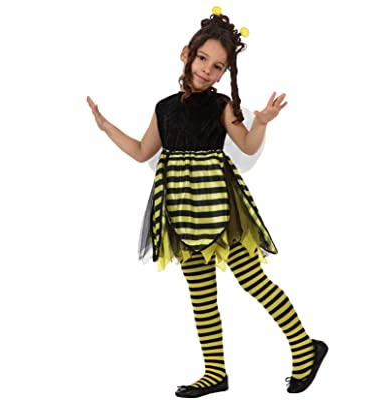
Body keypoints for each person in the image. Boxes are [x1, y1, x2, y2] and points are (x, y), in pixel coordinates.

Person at [86, 6, 327, 398]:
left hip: (220, 206)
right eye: (202, 59)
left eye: (217, 67)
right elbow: (142, 151)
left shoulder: (221, 106)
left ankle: (305, 348)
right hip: (181, 208)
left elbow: (247, 144)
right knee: (200, 293)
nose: (207, 70)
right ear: (186, 54)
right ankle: (215, 372)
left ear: (224, 73)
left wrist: (261, 122)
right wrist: (105, 126)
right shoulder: (164, 108)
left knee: (252, 278)